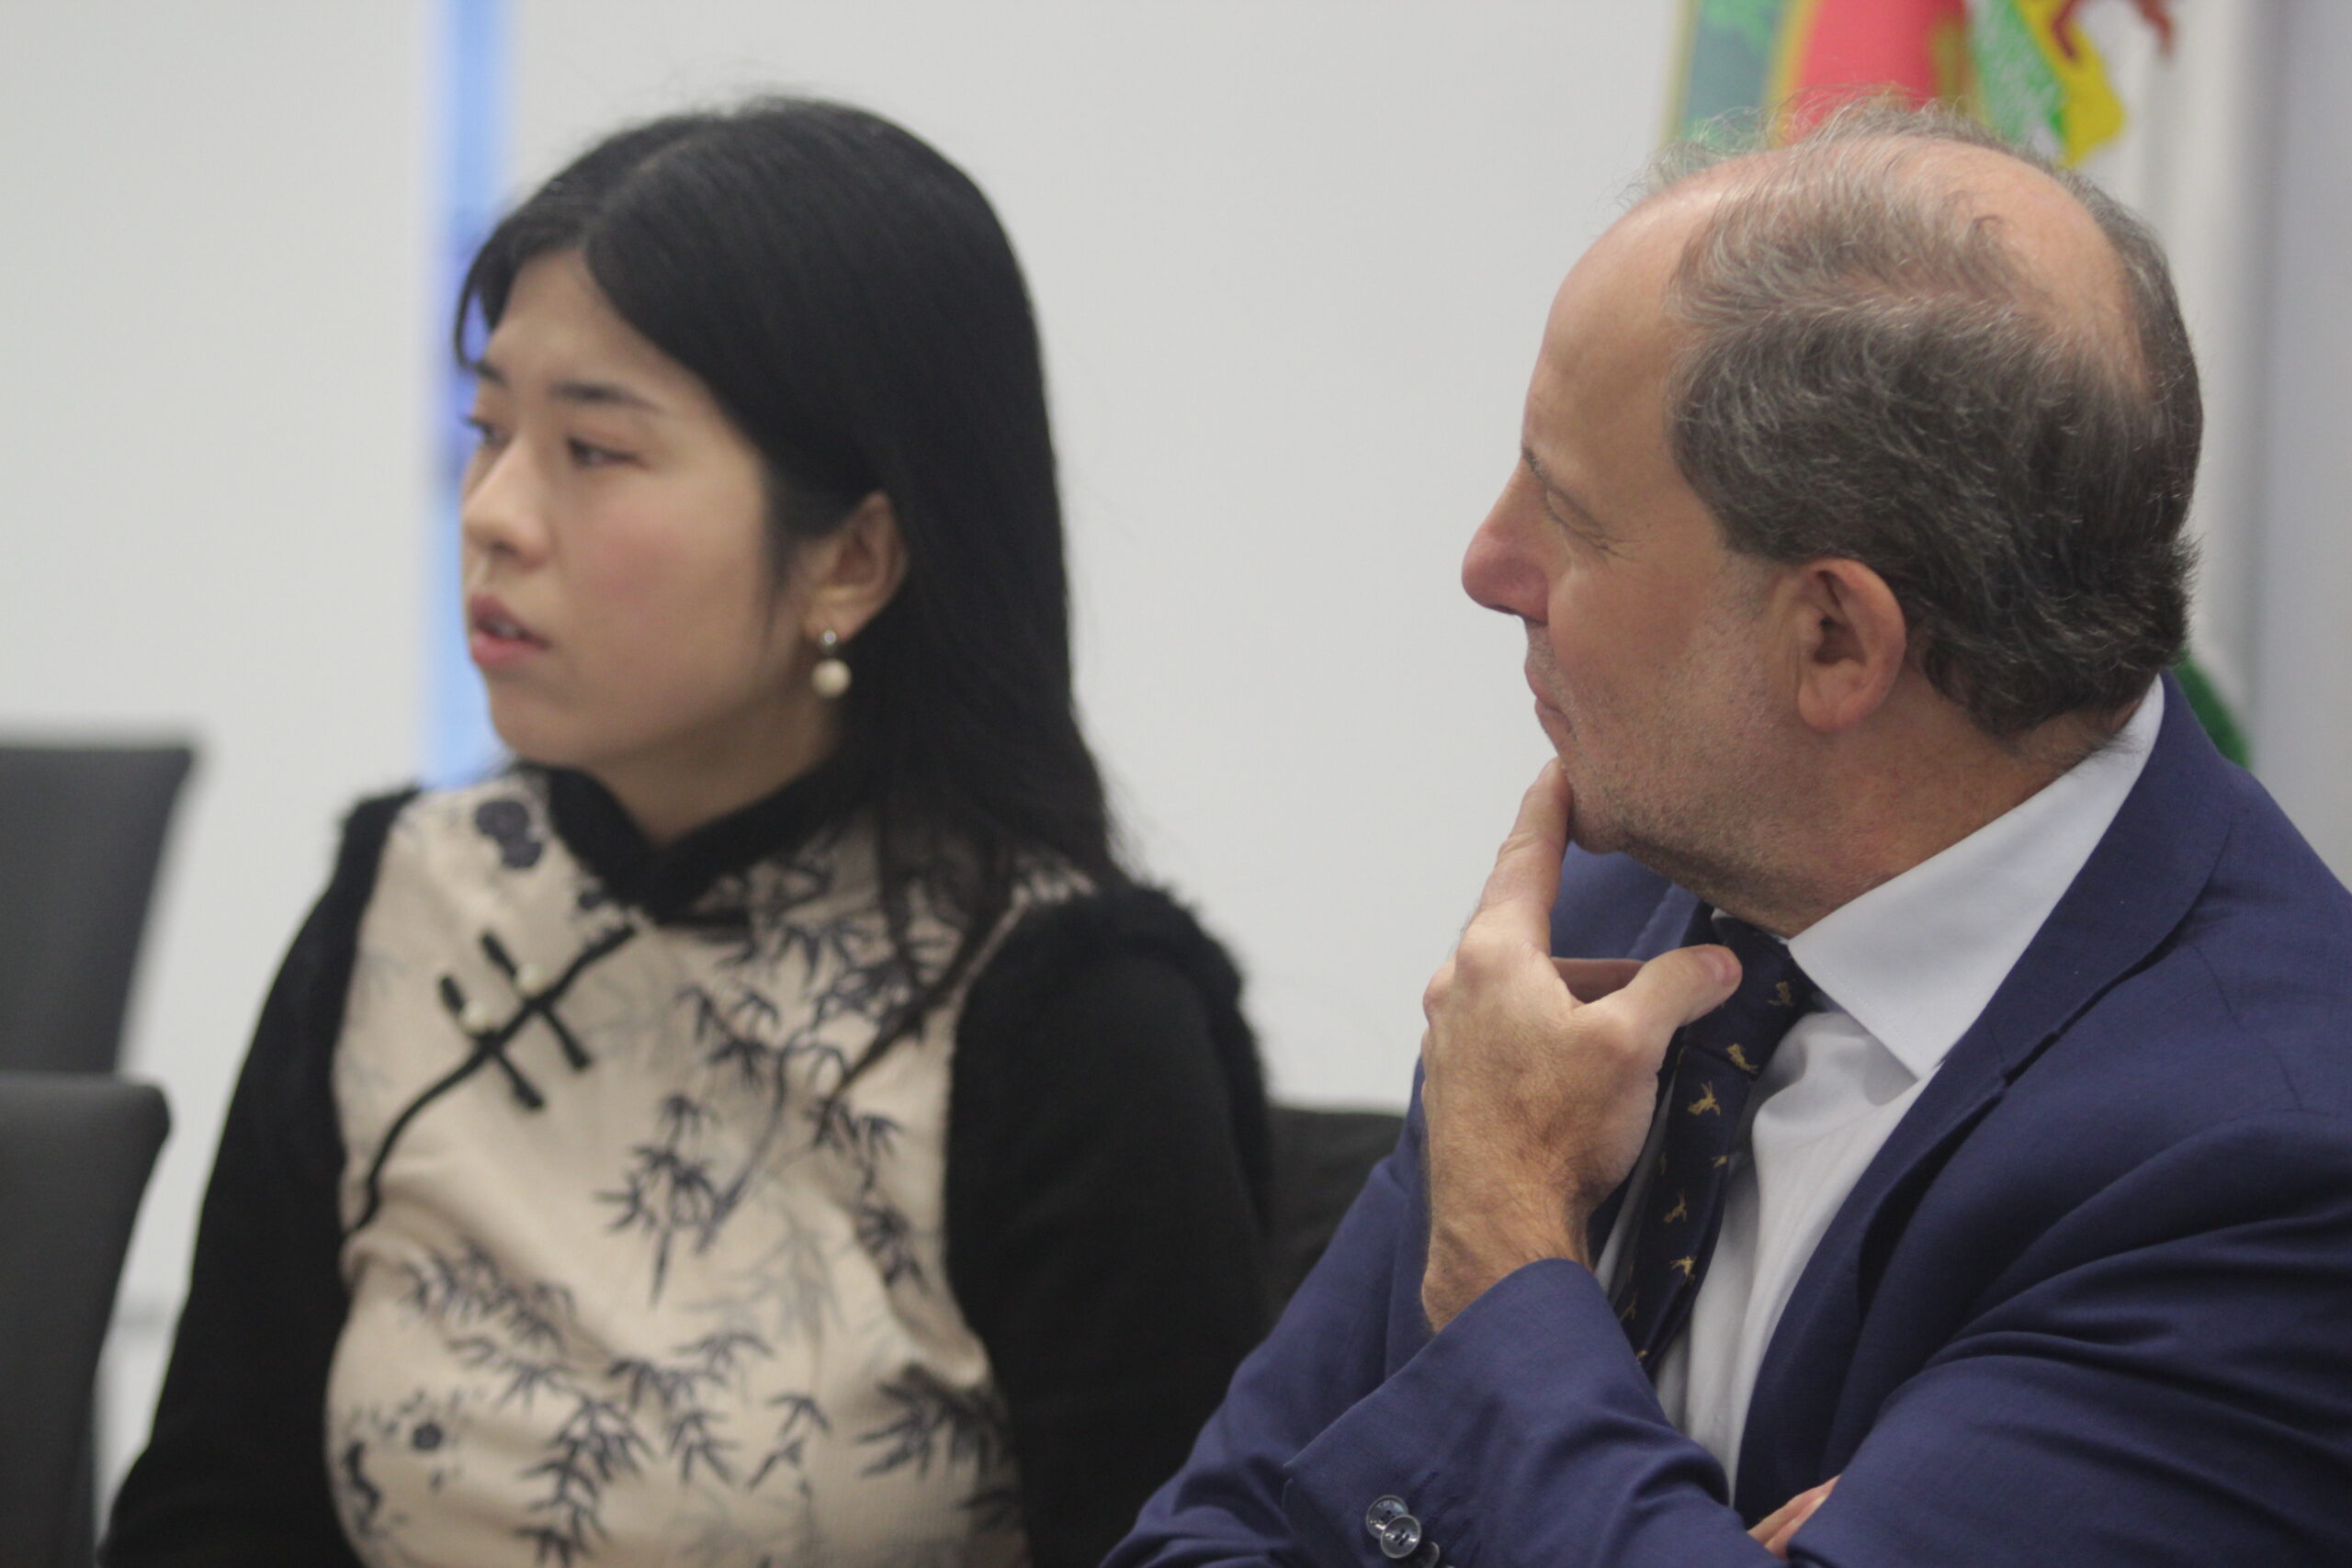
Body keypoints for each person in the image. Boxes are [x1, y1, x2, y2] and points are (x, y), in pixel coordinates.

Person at [1109, 104, 2352, 1567]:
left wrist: (1510, 1246)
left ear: (1833, 638)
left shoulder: (2271, 1169)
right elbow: (1197, 1545)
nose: (1487, 565)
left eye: (1568, 515)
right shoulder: (1608, 914)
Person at [106, 97, 1271, 1568]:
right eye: (487, 431)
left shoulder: (1068, 1021)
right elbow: (211, 1515)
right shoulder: (409, 902)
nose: (494, 513)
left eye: (593, 450)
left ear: (852, 557)